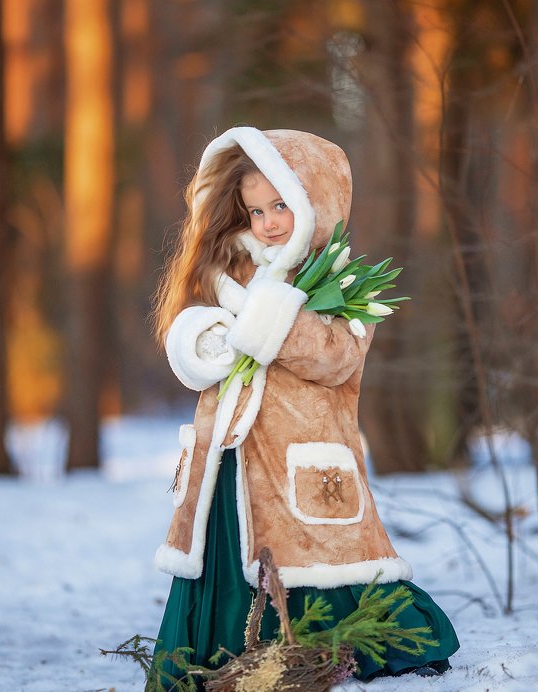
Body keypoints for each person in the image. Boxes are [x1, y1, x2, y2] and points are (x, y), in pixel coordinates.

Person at [150, 126, 459, 685]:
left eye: (281, 205)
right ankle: (224, 651)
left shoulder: (344, 278)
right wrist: (208, 338)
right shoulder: (226, 274)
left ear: (313, 200)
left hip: (302, 455)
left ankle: (339, 644)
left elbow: (337, 356)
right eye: (254, 211)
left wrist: (270, 321)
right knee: (226, 551)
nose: (268, 222)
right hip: (229, 454)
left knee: (320, 553)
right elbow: (203, 339)